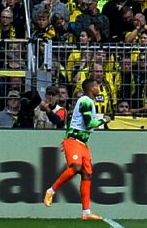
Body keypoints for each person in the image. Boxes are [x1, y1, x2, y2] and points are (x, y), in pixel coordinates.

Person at [45, 79, 107, 220]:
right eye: (97, 85)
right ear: (91, 88)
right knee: (76, 166)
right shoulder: (85, 101)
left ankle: (86, 212)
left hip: (82, 143)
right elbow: (88, 123)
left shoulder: (89, 102)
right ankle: (51, 191)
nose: (99, 88)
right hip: (74, 140)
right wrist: (104, 120)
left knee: (87, 175)